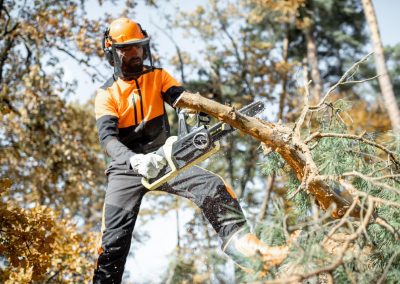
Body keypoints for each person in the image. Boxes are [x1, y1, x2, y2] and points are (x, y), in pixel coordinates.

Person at [93, 17, 289, 283]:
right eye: (127, 49)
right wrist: (134, 161)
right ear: (112, 51)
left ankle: (247, 250)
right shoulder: (107, 94)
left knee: (212, 186)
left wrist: (190, 109)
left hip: (163, 158)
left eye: (138, 47)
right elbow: (108, 140)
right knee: (112, 244)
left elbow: (181, 97)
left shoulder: (157, 76)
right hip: (125, 169)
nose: (135, 53)